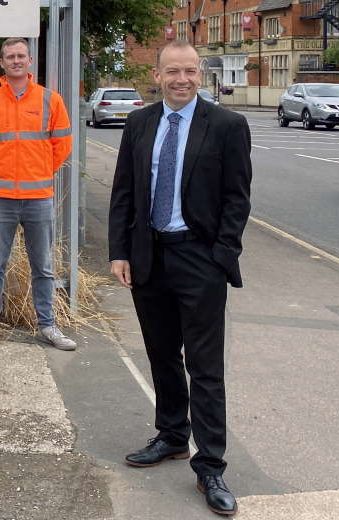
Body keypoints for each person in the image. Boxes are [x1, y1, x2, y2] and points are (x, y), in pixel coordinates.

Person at [108, 40, 252, 517]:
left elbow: (237, 198)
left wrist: (221, 256)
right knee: (162, 354)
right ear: (158, 74)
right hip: (149, 256)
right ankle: (171, 435)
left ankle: (210, 464)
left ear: (200, 75)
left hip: (199, 258)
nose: (182, 79)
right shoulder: (139, 123)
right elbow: (124, 192)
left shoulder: (227, 125)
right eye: (173, 71)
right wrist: (120, 252)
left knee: (206, 367)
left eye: (190, 71)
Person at [0, 37, 76, 351]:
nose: (15, 61)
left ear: (30, 62)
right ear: (2, 63)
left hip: (39, 195)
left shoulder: (50, 101)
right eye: (9, 56)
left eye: (20, 56)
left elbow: (62, 145)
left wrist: (38, 170)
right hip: (0, 196)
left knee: (43, 265)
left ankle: (48, 326)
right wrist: (5, 171)